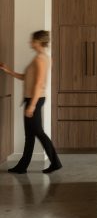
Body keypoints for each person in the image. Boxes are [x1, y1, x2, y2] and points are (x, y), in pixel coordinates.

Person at [0, 30, 62, 174]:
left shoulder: (40, 59)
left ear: (39, 42)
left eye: (32, 40)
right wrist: (9, 71)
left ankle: (55, 163)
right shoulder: (44, 57)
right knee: (30, 135)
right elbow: (27, 78)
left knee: (38, 132)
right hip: (35, 98)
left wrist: (32, 105)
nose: (30, 43)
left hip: (35, 99)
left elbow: (39, 83)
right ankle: (22, 166)